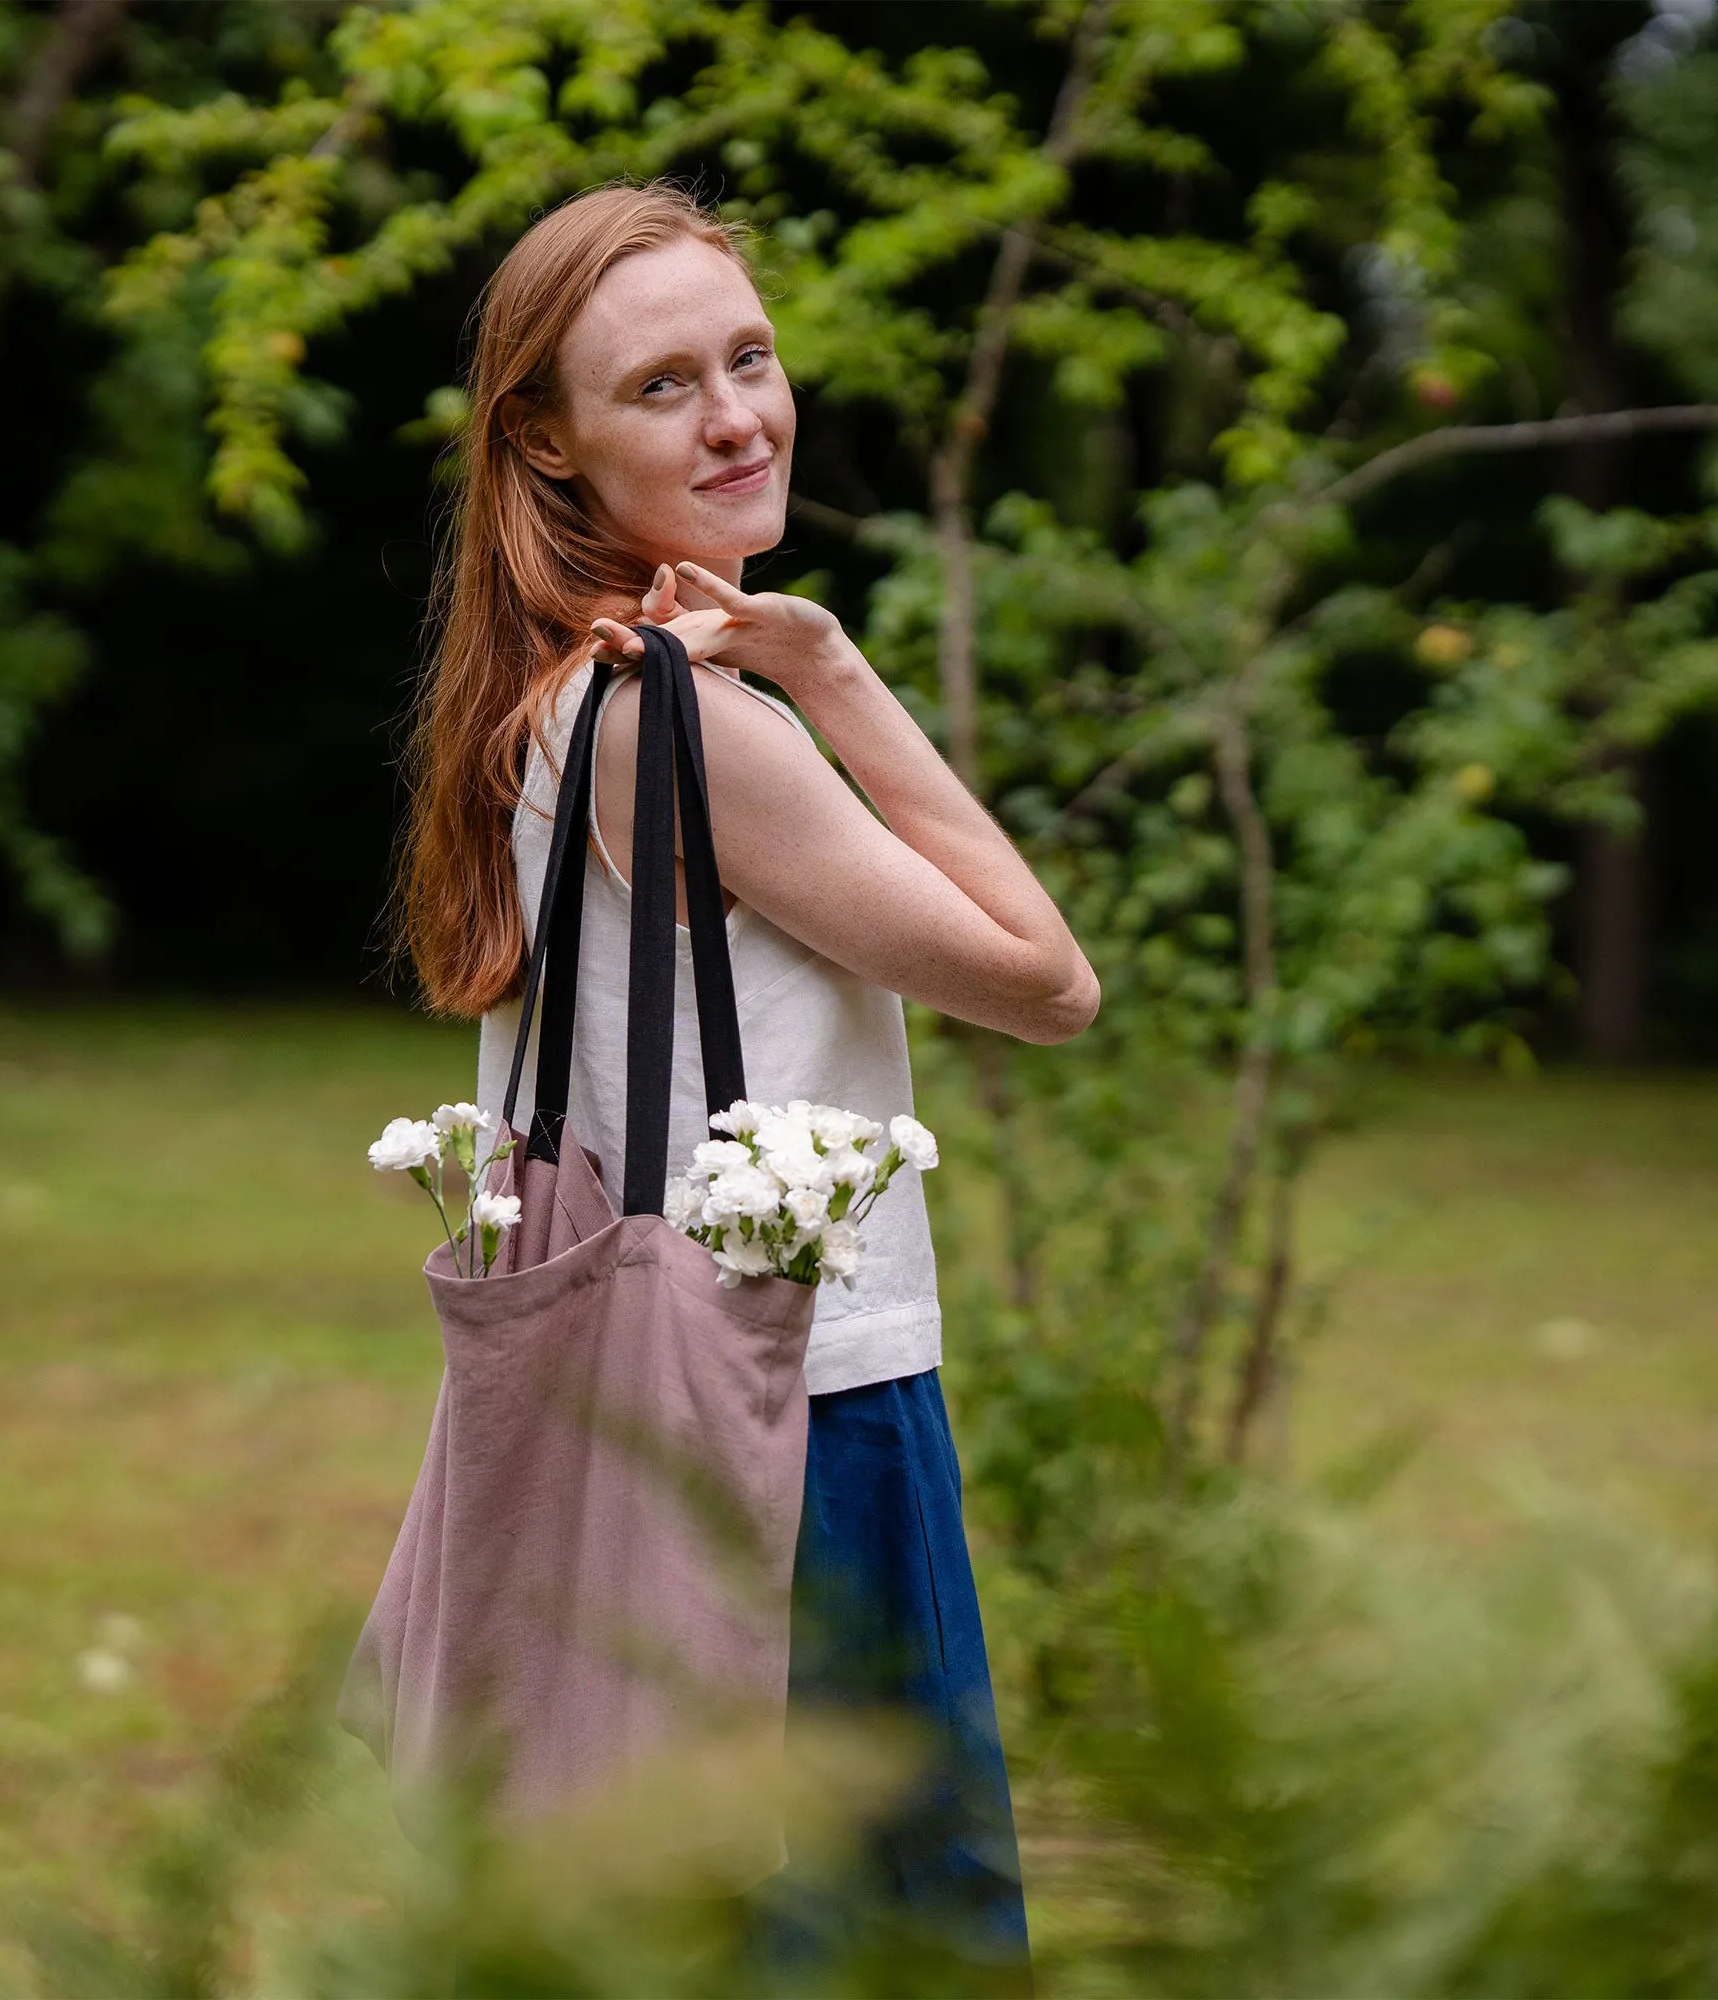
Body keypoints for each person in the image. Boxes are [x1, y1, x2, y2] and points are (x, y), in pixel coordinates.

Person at [395, 179, 1098, 1988]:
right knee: (894, 1929)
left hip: (648, 1407)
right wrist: (845, 678)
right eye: (660, 387)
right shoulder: (691, 722)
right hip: (804, 1398)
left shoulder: (554, 699)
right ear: (546, 446)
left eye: (751, 357)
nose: (734, 416)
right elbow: (1046, 982)